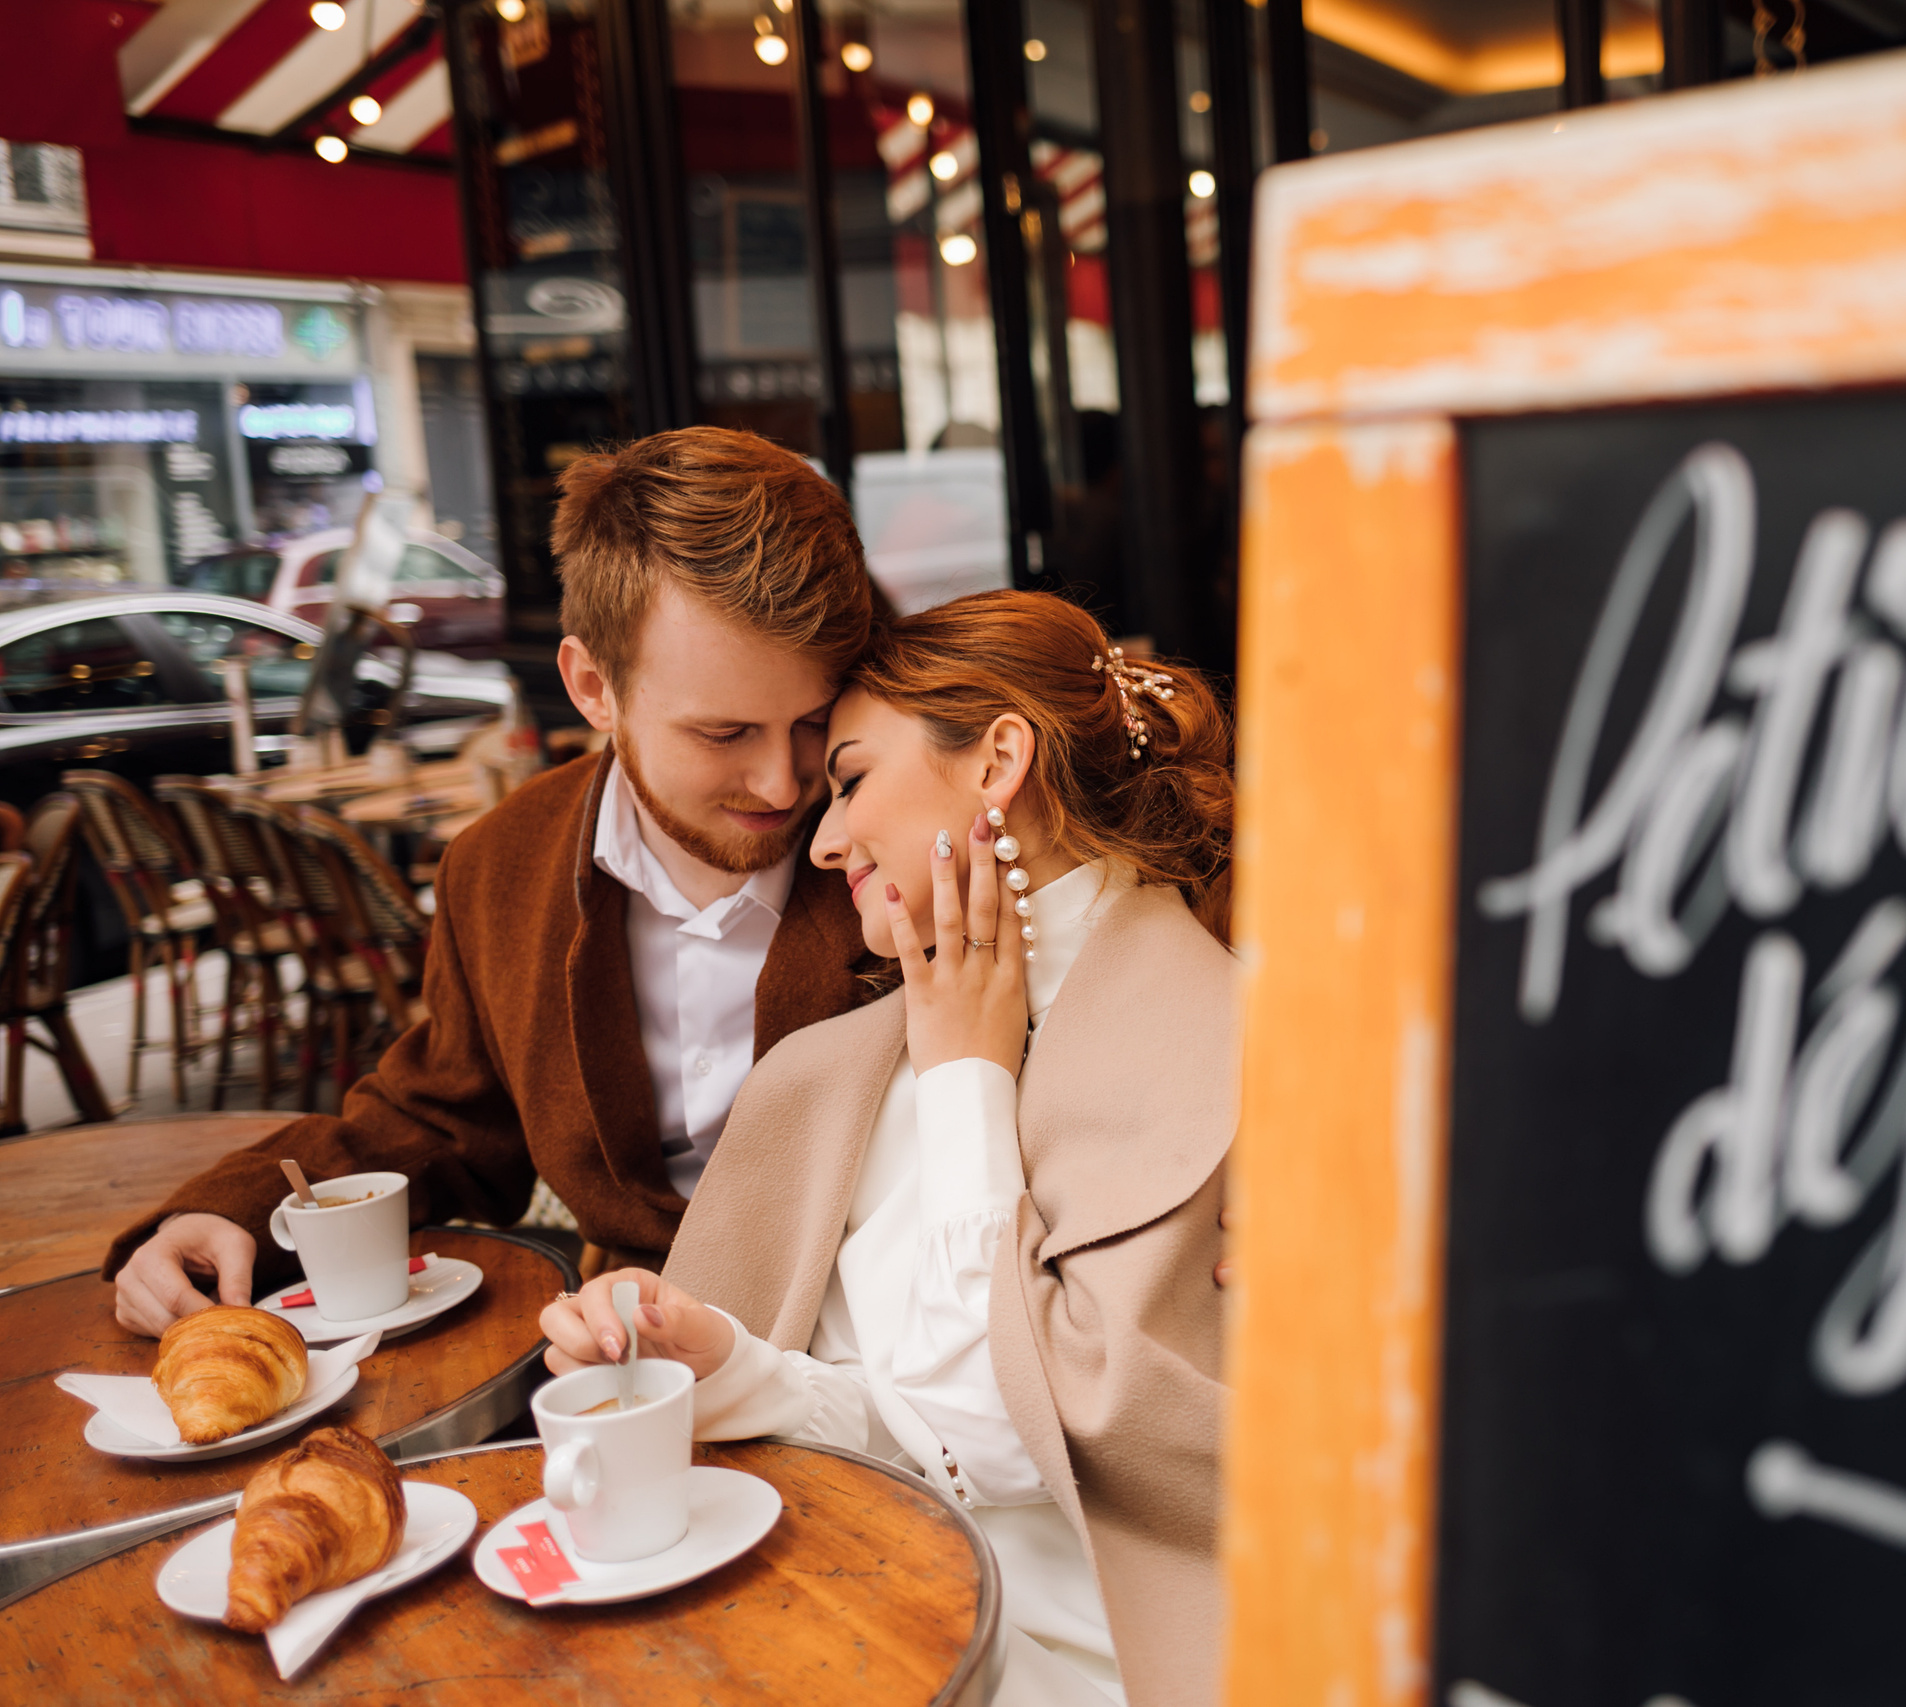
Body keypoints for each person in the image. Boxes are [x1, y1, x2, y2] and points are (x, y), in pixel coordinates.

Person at [543, 590, 1235, 1707]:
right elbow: (917, 1429)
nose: (817, 837)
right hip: (853, 1592)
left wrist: (967, 1079)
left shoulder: (1217, 1040)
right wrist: (736, 1368)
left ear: (999, 758)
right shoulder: (842, 1071)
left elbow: (1010, 1445)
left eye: (850, 779)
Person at [108, 427, 885, 1334]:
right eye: (723, 734)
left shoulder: (905, 830)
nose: (785, 784)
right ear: (593, 687)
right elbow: (441, 1123)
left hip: (877, 1343)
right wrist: (221, 1214)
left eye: (811, 721)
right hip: (623, 1355)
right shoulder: (498, 866)